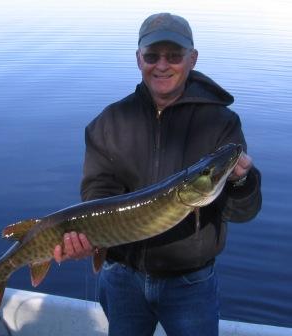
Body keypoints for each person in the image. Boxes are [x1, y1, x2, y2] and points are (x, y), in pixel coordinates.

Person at [53, 12, 262, 336]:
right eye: (152, 56)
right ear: (139, 59)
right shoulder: (109, 123)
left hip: (191, 283)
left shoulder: (221, 124)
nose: (162, 65)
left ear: (192, 59)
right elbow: (98, 191)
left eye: (174, 55)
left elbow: (242, 211)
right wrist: (91, 237)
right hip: (122, 278)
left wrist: (241, 180)